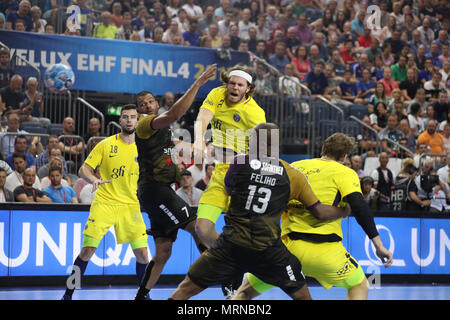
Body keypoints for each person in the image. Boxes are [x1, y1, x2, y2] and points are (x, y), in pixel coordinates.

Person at [169, 123, 349, 300]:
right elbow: (319, 211)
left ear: (256, 141)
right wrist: (345, 211)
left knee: (185, 290)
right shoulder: (293, 174)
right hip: (269, 250)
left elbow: (230, 190)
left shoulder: (239, 162)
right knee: (303, 296)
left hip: (231, 245)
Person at [234, 132, 393, 300]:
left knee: (244, 292)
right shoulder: (345, 172)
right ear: (345, 156)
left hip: (285, 250)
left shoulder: (296, 166)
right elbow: (360, 208)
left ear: (323, 149)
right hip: (326, 253)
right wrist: (379, 245)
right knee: (359, 284)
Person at [133, 65, 216, 300]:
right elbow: (174, 115)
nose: (147, 106)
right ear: (139, 110)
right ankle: (222, 279)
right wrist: (198, 84)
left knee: (163, 252)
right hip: (155, 190)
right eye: (142, 104)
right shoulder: (144, 125)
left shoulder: (165, 134)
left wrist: (204, 148)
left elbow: (186, 148)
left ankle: (141, 296)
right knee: (197, 229)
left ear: (155, 103)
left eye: (150, 102)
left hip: (157, 192)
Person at [62, 104, 149, 300]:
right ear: (120, 120)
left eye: (132, 117)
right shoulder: (105, 144)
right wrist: (94, 179)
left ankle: (144, 296)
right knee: (87, 251)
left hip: (130, 206)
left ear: (137, 120)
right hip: (105, 203)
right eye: (125, 116)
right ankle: (67, 294)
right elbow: (83, 169)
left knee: (143, 254)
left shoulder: (144, 146)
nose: (128, 120)